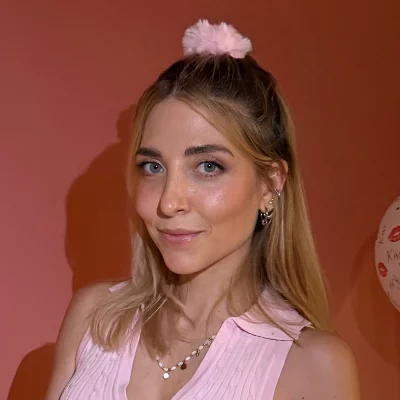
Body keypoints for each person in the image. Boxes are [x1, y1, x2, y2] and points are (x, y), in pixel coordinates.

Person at [46, 19, 360, 400]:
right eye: (153, 167)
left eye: (208, 167)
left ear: (270, 184)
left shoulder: (313, 367)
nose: (169, 201)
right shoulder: (94, 319)